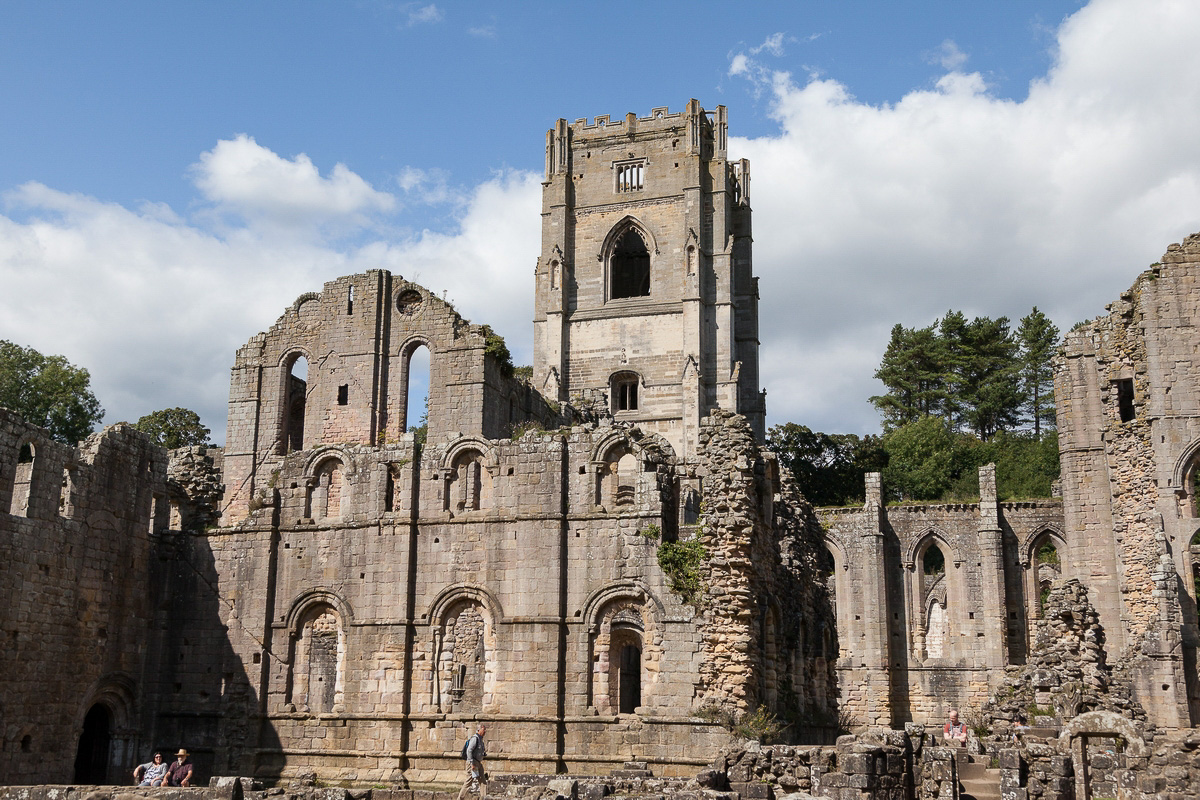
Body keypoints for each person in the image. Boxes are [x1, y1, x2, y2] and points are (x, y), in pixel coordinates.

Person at [456, 724, 487, 800]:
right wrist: (472, 763)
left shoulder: (480, 739)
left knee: (483, 781)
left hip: (478, 763)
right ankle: (460, 798)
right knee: (469, 781)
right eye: (484, 730)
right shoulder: (475, 738)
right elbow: (469, 750)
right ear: (479, 730)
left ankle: (484, 797)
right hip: (473, 763)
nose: (485, 731)